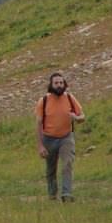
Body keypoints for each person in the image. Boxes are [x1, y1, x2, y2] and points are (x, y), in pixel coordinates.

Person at [36, 72, 84, 201]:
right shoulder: (43, 101)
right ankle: (52, 194)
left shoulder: (70, 98)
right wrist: (40, 146)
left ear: (65, 84)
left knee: (67, 163)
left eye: (61, 83)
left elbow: (82, 116)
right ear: (51, 85)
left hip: (66, 137)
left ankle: (66, 194)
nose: (59, 85)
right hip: (48, 138)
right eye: (56, 83)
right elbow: (39, 124)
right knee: (51, 169)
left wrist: (76, 118)